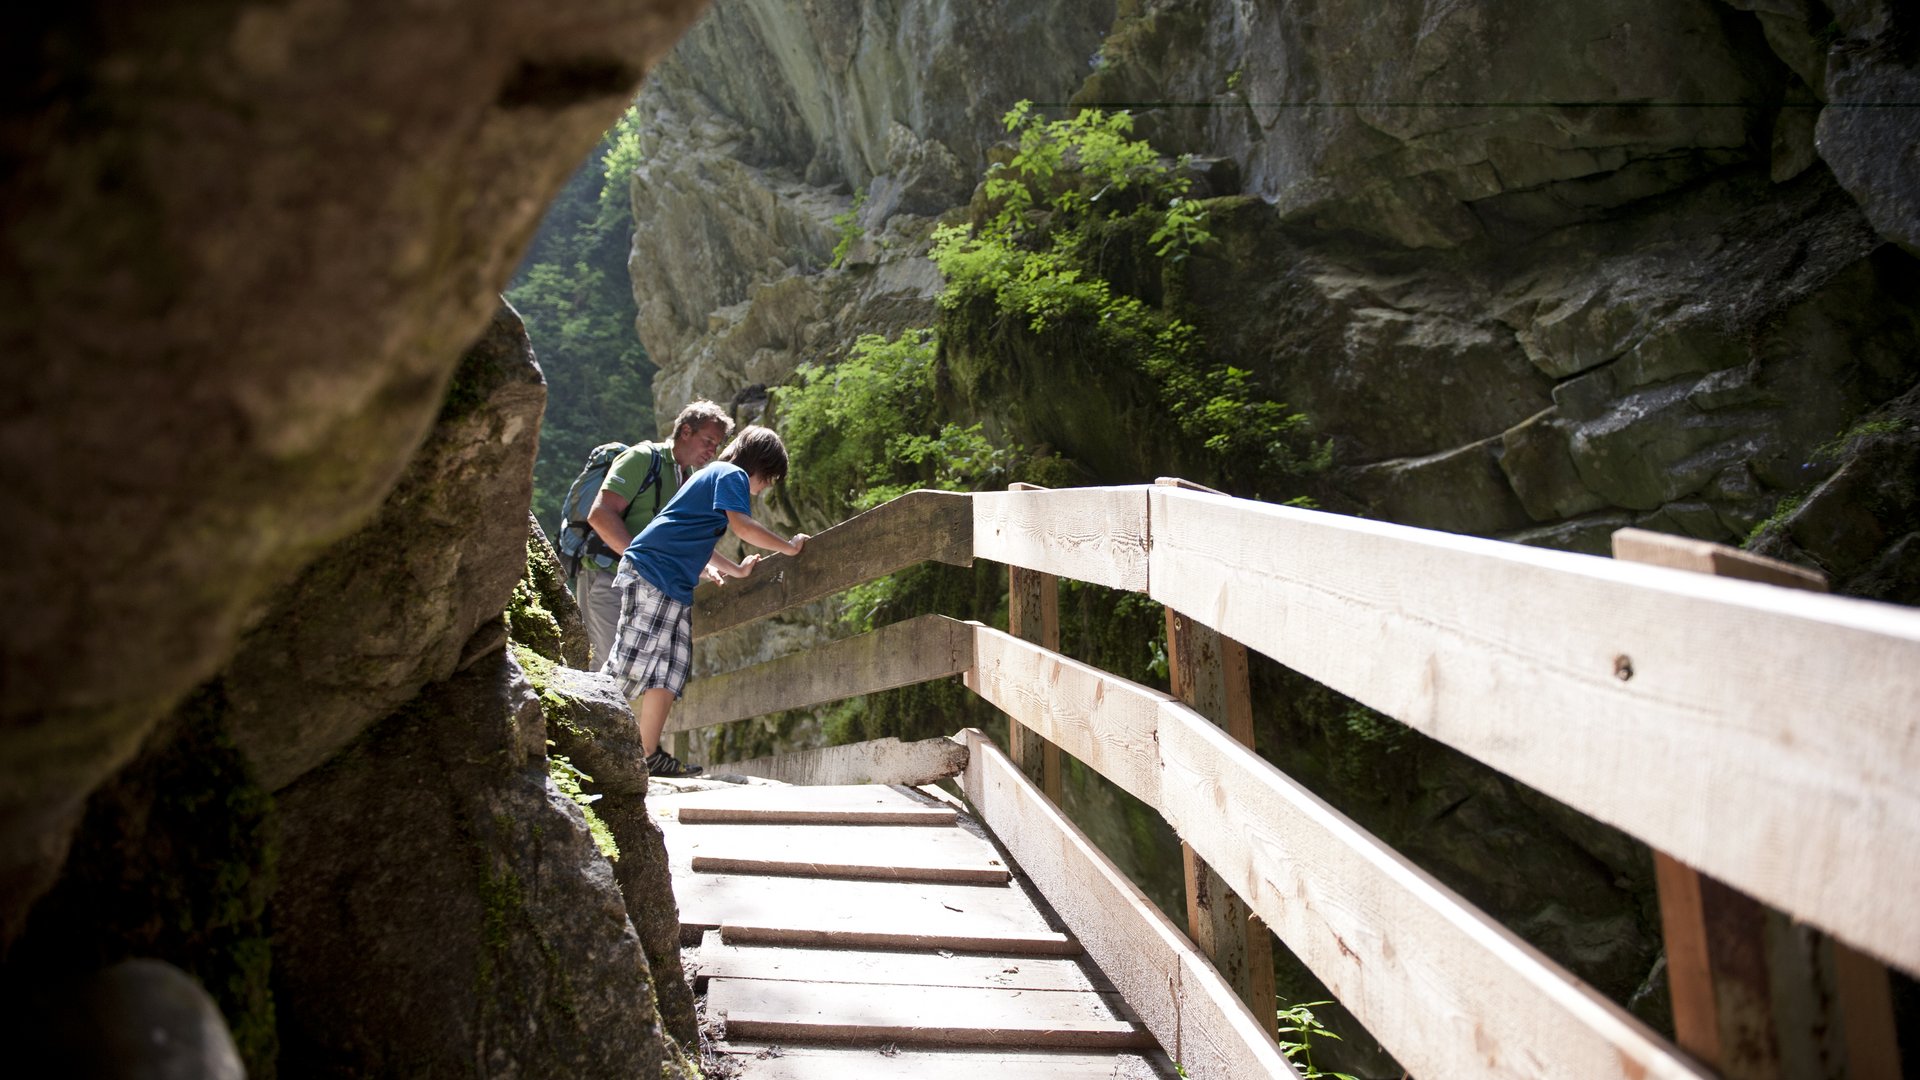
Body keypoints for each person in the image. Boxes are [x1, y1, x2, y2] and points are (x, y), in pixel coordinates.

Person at [601, 425, 810, 777]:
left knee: (670, 669)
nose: (765, 487)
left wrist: (736, 570)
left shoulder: (712, 476)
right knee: (630, 662)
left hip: (672, 583)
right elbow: (742, 526)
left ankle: (647, 753)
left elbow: (695, 539)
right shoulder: (731, 475)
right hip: (654, 573)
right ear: (761, 465)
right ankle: (584, 730)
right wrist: (788, 548)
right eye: (769, 478)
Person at [574, 400, 734, 665]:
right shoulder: (643, 458)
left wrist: (710, 567)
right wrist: (640, 561)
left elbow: (680, 540)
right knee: (606, 668)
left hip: (645, 588)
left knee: (634, 671)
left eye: (716, 445)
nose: (712, 450)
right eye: (708, 441)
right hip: (607, 578)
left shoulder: (688, 479)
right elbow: (600, 515)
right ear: (685, 431)